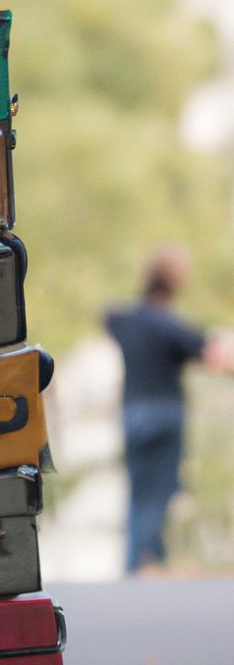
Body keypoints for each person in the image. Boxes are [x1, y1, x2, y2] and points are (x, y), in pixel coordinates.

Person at [104, 244, 234, 575]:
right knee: (158, 492)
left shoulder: (126, 319)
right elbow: (212, 355)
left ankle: (147, 560)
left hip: (133, 414)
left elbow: (109, 316)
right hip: (165, 414)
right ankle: (138, 564)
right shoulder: (171, 326)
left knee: (139, 491)